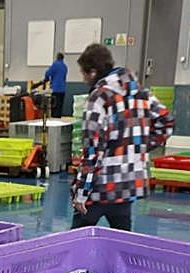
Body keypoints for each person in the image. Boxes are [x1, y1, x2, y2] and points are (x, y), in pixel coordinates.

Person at [71, 44, 172, 232]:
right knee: (123, 241)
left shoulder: (99, 98)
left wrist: (82, 193)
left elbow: (92, 151)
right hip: (128, 184)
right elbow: (166, 120)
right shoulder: (140, 93)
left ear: (92, 72)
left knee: (76, 241)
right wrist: (140, 146)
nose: (83, 78)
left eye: (83, 73)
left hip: (101, 186)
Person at [42, 52, 69, 117]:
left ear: (57, 57)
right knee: (60, 106)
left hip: (55, 89)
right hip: (62, 89)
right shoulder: (65, 66)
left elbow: (48, 73)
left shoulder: (55, 65)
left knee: (54, 106)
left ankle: (54, 119)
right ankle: (59, 119)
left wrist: (46, 79)